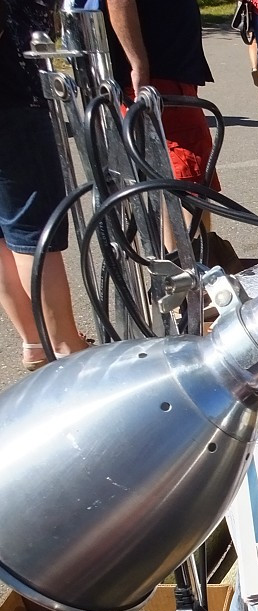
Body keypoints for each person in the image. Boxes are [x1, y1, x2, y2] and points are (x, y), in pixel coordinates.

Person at [103, 0, 239, 270]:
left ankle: (186, 271)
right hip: (158, 76)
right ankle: (195, 276)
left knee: (170, 179)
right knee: (186, 179)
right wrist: (138, 62)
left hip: (167, 71)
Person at [0, 0, 89, 371]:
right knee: (32, 228)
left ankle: (36, 341)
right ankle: (65, 346)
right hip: (12, 97)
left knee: (6, 230)